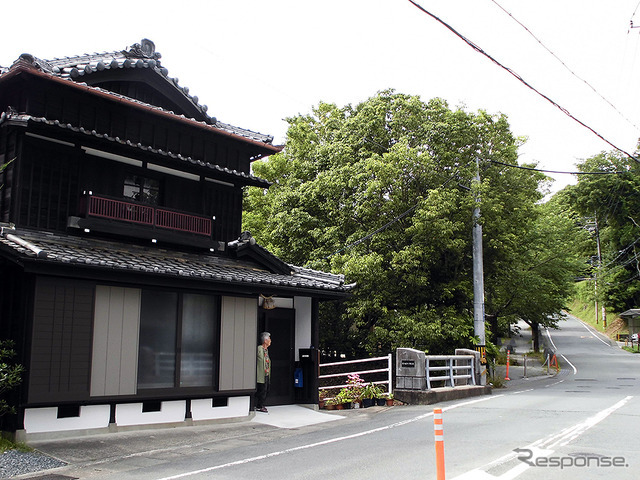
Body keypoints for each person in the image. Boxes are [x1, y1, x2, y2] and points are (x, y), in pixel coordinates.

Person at [255, 331, 271, 413]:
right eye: (269, 339)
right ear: (265, 340)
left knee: (266, 390)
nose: (270, 340)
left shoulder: (266, 350)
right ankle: (259, 406)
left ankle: (261, 404)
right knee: (261, 390)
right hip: (261, 374)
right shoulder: (259, 349)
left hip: (266, 373)